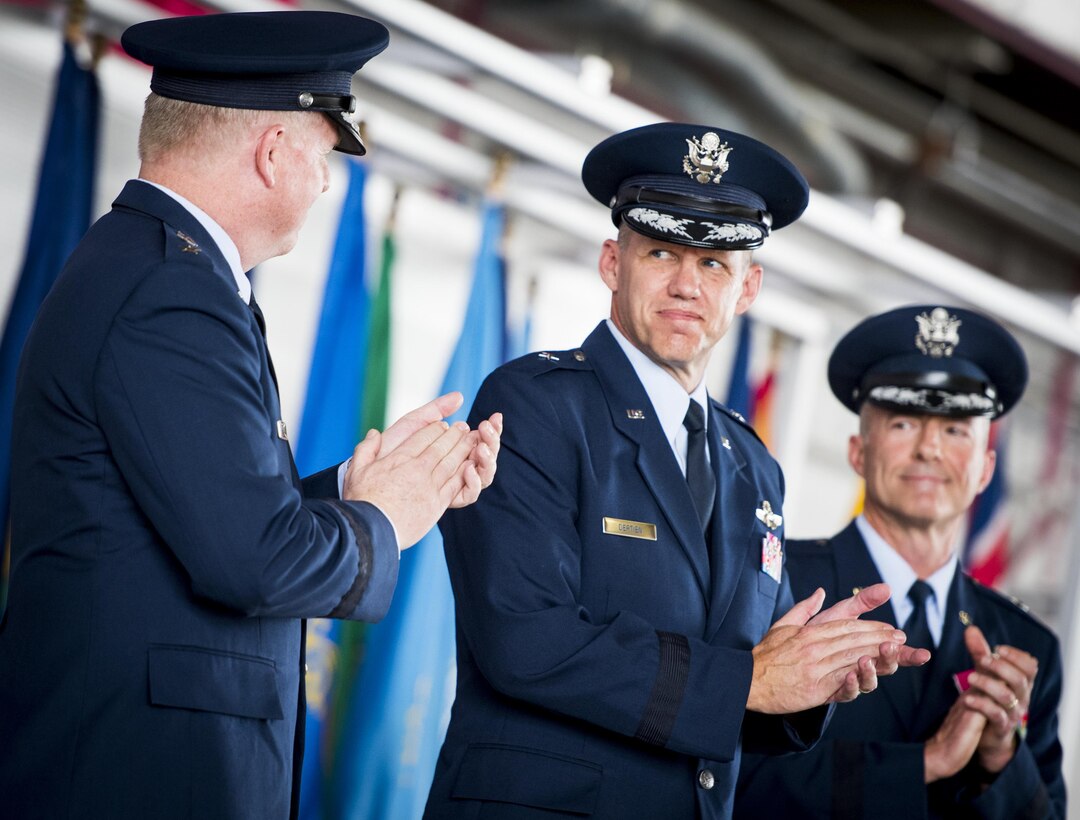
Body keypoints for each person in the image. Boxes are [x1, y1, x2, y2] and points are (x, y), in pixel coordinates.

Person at [0, 11, 501, 820]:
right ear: (272, 154)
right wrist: (385, 520)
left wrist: (355, 486)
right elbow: (256, 563)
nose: (327, 182)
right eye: (324, 155)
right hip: (134, 779)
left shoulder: (158, 272)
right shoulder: (171, 294)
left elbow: (207, 516)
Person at [424, 123, 927, 820]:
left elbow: (748, 690)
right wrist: (749, 681)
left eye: (715, 263)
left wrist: (812, 677)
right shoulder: (534, 405)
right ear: (612, 263)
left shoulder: (753, 467)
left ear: (748, 288)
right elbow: (525, 636)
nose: (687, 284)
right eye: (662, 251)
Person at [735, 305, 1065, 819]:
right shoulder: (773, 582)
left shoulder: (1026, 646)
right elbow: (727, 782)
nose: (929, 448)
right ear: (858, 452)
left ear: (985, 469)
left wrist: (1002, 759)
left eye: (957, 431)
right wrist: (926, 763)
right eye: (905, 422)